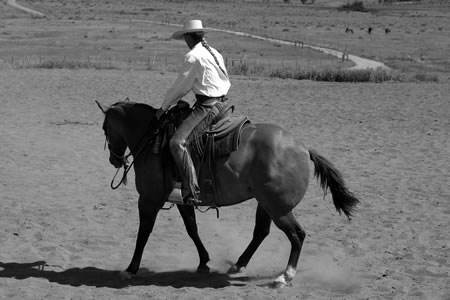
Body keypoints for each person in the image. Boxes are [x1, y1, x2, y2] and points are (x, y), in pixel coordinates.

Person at [156, 20, 231, 204]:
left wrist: (163, 108)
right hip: (224, 105)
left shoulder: (193, 56)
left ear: (189, 37)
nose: (185, 41)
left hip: (208, 108)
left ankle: (191, 190)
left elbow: (181, 88)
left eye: (185, 38)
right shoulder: (214, 52)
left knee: (177, 143)